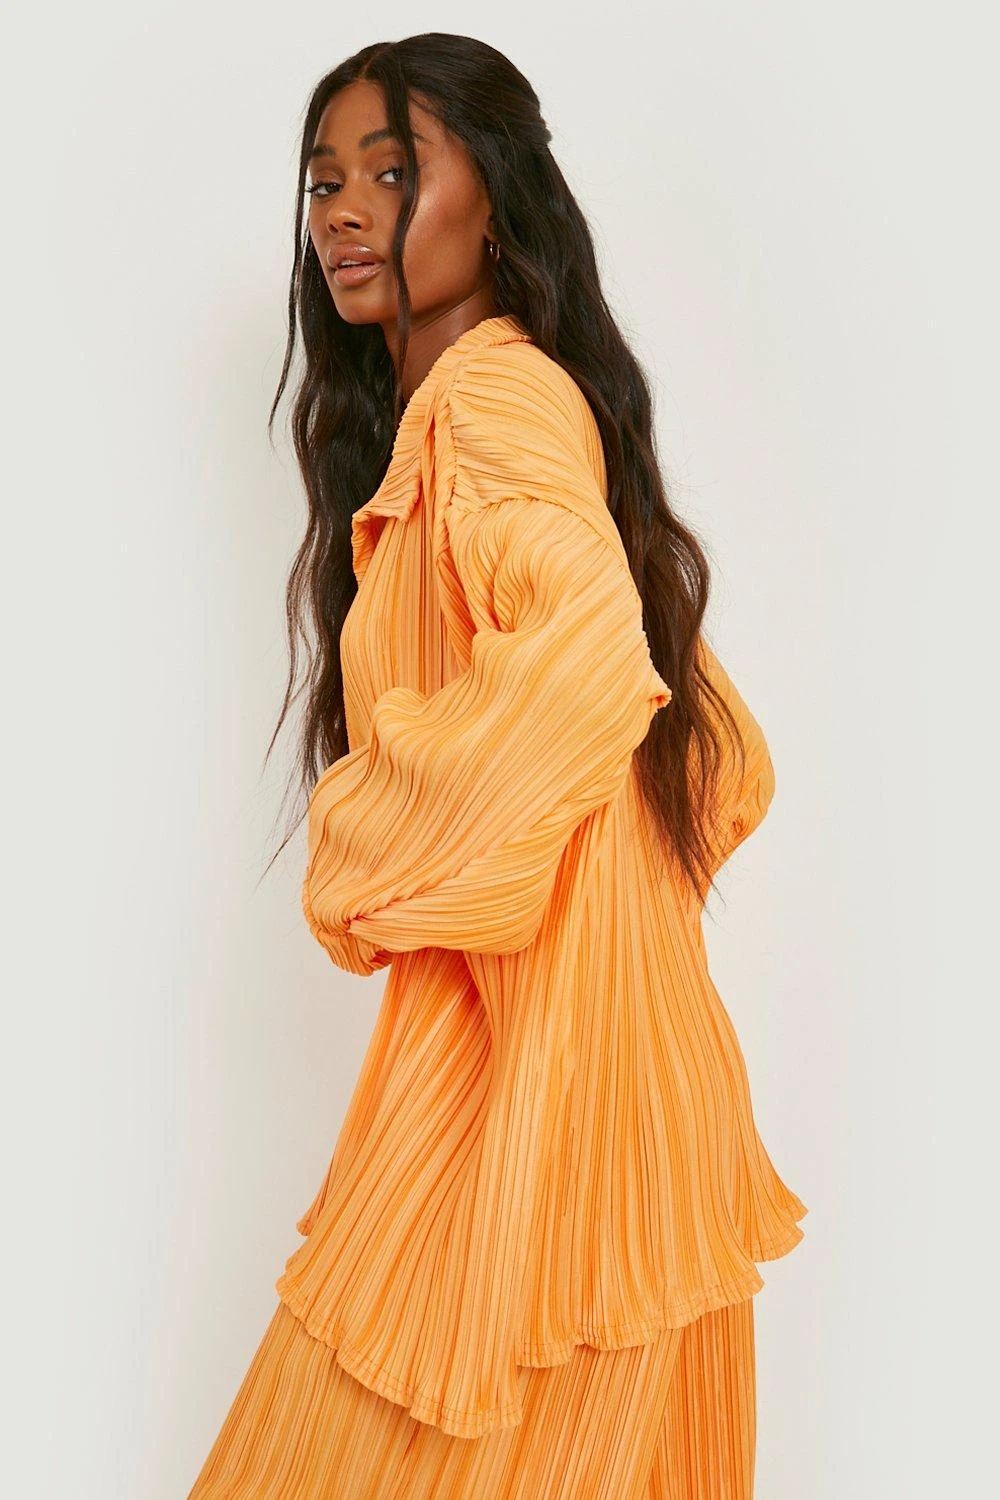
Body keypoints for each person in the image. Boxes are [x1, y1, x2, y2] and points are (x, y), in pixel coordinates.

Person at [188, 32, 807, 1500]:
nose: (344, 210)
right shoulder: (489, 410)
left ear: (500, 198)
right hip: (612, 1098)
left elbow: (591, 655)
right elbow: (710, 748)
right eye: (323, 180)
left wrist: (359, 836)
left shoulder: (489, 404)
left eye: (393, 171)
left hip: (552, 1109)